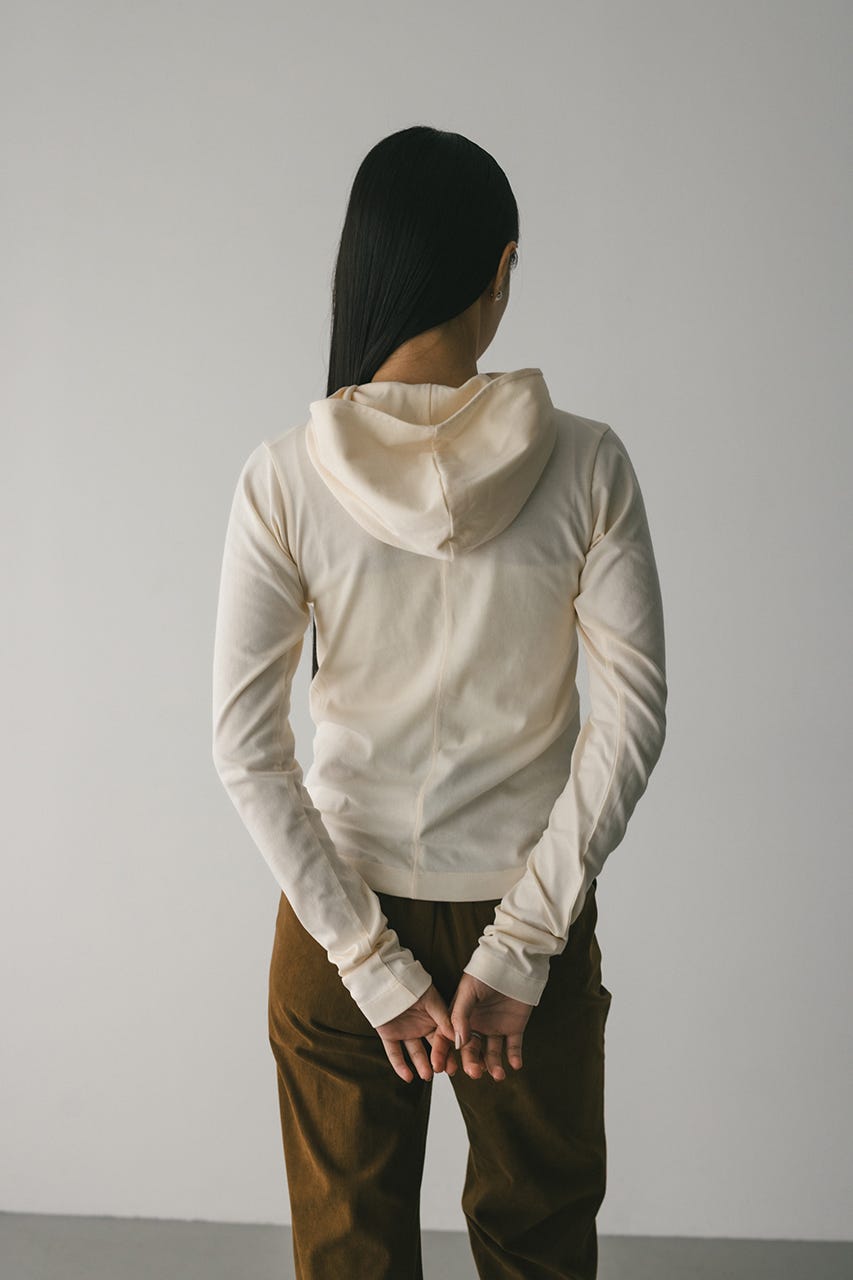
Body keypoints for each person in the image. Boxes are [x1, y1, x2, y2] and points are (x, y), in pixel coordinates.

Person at [211, 124, 667, 1280]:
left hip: (341, 906)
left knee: (348, 1254)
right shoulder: (588, 464)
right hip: (527, 905)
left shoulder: (282, 476)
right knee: (539, 1242)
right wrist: (522, 944)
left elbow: (248, 751)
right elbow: (631, 718)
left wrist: (367, 958)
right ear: (500, 270)